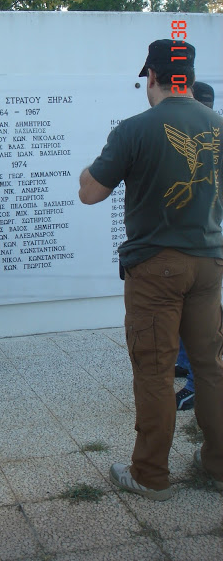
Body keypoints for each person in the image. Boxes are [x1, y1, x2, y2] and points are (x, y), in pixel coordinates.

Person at [79, 39, 223, 500]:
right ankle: (218, 464)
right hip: (210, 264)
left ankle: (150, 475)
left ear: (153, 77)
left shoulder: (135, 129)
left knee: (156, 369)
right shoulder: (218, 126)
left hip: (157, 268)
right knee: (212, 366)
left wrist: (90, 167)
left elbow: (90, 193)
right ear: (191, 77)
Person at [175, 80, 217, 412]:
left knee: (198, 325)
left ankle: (193, 386)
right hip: (189, 244)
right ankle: (182, 365)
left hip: (205, 246)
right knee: (181, 315)